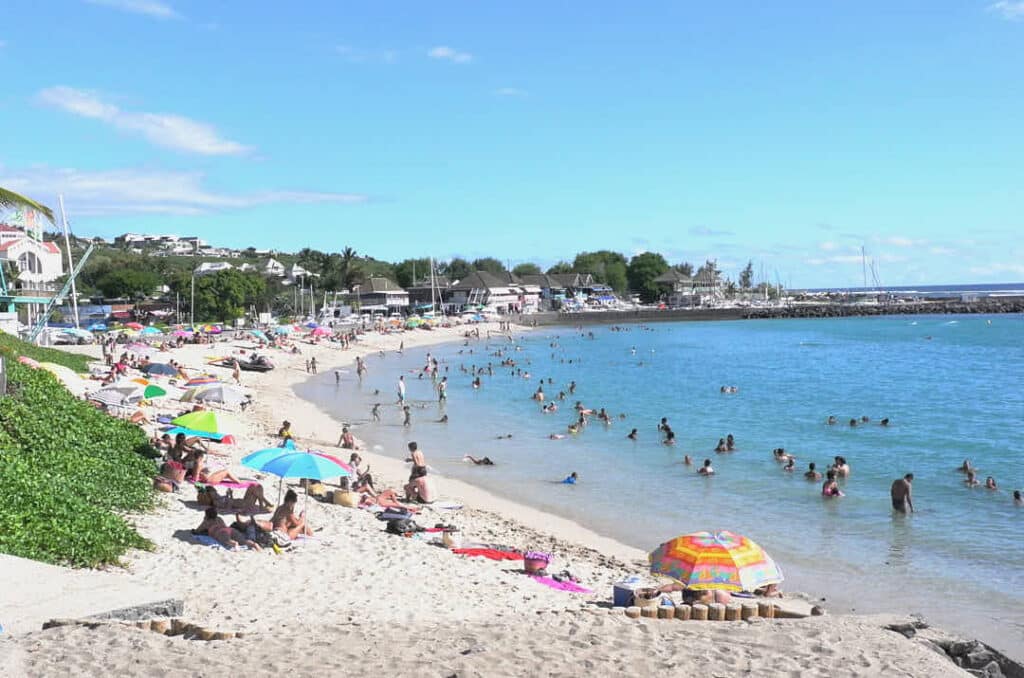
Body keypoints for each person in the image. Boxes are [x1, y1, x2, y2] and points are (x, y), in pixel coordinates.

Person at [193, 507, 261, 550]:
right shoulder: (219, 518)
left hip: (220, 532)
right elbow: (224, 526)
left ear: (207, 515)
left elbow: (197, 530)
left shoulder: (207, 522)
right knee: (244, 541)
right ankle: (255, 545)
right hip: (229, 529)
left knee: (228, 541)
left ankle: (235, 545)